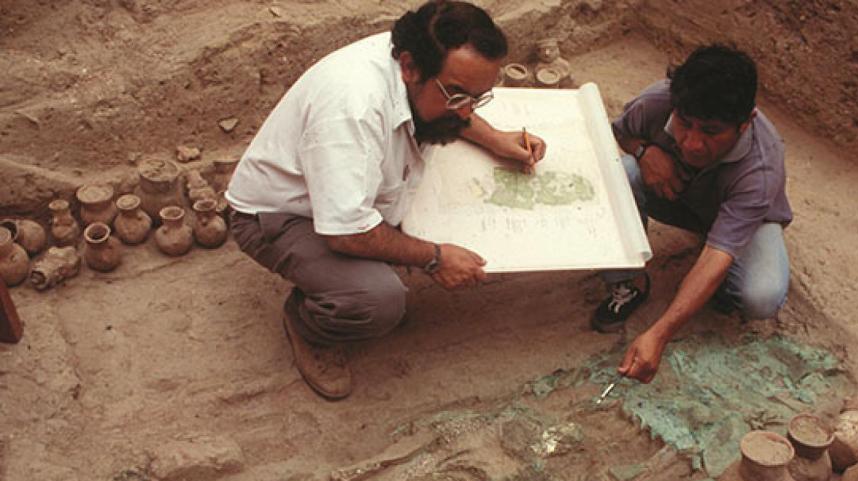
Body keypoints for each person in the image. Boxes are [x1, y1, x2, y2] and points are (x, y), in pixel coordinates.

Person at [226, 0, 545, 399]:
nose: (466, 112)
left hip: (348, 195)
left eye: (478, 98)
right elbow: (346, 234)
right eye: (458, 95)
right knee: (378, 300)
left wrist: (495, 138)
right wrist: (434, 257)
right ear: (410, 68)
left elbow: (453, 104)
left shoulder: (419, 57)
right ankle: (309, 325)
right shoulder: (352, 110)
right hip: (281, 215)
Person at [592, 44, 791, 383]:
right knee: (618, 172)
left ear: (745, 124)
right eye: (685, 124)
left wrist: (658, 334)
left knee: (761, 296)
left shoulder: (761, 168)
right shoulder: (659, 101)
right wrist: (644, 152)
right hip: (678, 198)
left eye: (711, 132)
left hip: (740, 220)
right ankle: (630, 282)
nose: (692, 144)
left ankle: (723, 288)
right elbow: (621, 132)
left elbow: (718, 253)